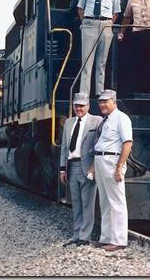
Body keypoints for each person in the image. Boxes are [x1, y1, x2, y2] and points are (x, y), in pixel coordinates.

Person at [59, 93, 103, 246]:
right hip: (72, 166)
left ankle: (85, 237)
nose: (79, 108)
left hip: (88, 167)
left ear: (88, 106)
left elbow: (100, 144)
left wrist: (95, 167)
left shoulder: (97, 121)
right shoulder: (69, 123)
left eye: (82, 106)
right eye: (76, 105)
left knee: (87, 203)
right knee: (76, 203)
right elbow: (64, 147)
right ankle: (76, 234)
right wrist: (62, 169)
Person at [92, 89, 133, 252]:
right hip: (101, 160)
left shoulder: (121, 118)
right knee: (104, 201)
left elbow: (127, 143)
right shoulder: (106, 120)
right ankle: (106, 237)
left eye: (106, 101)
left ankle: (119, 240)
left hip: (112, 161)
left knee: (116, 202)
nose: (102, 104)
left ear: (114, 103)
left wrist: (119, 168)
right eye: (100, 102)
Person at [77, 0, 121, 97]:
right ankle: (84, 94)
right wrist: (85, 22)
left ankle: (99, 93)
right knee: (86, 61)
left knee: (102, 62)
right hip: (89, 24)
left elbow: (116, 12)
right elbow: (80, 8)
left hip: (106, 25)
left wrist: (108, 24)